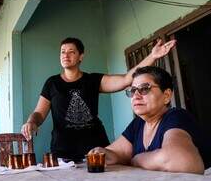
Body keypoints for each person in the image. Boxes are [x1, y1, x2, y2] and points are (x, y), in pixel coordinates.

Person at [21, 37, 176, 162]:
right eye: (62, 52)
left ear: (81, 56)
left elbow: (126, 80)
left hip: (97, 148)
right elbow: (39, 113)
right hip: (63, 151)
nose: (65, 55)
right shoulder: (52, 83)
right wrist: (31, 122)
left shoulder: (93, 80)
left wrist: (153, 56)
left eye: (71, 52)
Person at [89, 66, 207, 174]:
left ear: (166, 96)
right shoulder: (139, 123)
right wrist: (102, 153)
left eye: (144, 89)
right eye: (133, 90)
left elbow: (181, 162)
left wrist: (138, 159)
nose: (136, 96)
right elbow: (119, 152)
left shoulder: (176, 117)